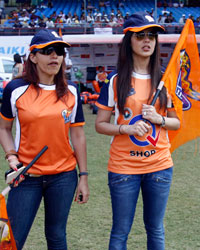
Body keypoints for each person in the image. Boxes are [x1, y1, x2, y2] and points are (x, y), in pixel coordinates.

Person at [95, 12, 180, 250]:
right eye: (140, 35)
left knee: (156, 230)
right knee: (120, 232)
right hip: (123, 168)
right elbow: (100, 124)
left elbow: (176, 123)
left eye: (151, 36)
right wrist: (126, 128)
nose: (147, 41)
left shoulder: (165, 79)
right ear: (128, 41)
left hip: (160, 167)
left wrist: (159, 119)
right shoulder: (114, 81)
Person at [0, 29, 89, 250]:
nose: (55, 57)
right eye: (47, 51)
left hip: (63, 177)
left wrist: (84, 176)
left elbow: (77, 135)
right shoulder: (15, 89)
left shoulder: (72, 91)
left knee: (57, 237)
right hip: (25, 176)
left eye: (59, 51)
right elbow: (4, 128)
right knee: (12, 241)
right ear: (33, 57)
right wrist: (12, 157)